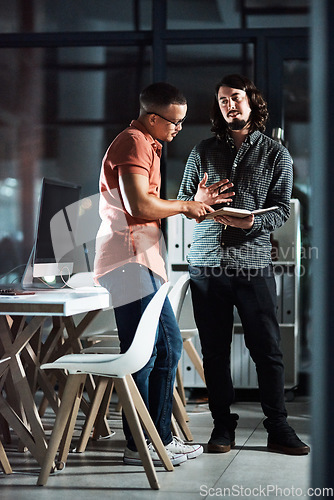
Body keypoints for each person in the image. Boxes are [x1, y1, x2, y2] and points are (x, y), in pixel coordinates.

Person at [177, 74, 310, 456]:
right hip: (207, 264)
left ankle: (279, 428)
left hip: (252, 264)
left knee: (267, 349)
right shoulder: (201, 150)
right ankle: (222, 427)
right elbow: (186, 203)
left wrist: (253, 221)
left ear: (251, 102)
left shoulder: (275, 154)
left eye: (235, 98)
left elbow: (282, 209)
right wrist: (198, 198)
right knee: (214, 351)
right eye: (222, 100)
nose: (229, 105)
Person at [94, 82, 218, 466]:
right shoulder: (133, 141)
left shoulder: (147, 145)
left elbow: (146, 204)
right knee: (150, 353)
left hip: (140, 260)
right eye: (174, 122)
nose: (179, 129)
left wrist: (192, 203)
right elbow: (139, 205)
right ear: (153, 117)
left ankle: (155, 438)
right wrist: (184, 207)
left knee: (162, 350)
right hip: (129, 259)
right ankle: (144, 443)